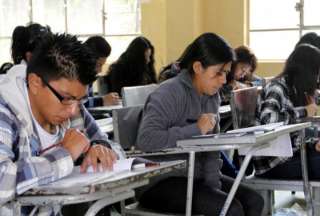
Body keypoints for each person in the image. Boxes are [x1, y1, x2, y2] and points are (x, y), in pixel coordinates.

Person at [136, 32, 264, 216]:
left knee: (254, 201)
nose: (223, 80)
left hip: (196, 177)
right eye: (218, 73)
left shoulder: (213, 96)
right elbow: (146, 140)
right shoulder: (169, 93)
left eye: (226, 73)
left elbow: (213, 147)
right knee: (231, 209)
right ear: (197, 67)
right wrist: (195, 129)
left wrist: (214, 187)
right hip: (159, 180)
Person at [0, 33, 125, 215]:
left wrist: (100, 149)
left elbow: (115, 147)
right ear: (35, 83)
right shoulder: (5, 111)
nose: (73, 111)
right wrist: (65, 154)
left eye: (80, 100)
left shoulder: (71, 106)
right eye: (66, 99)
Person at [254, 44, 320, 179]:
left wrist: (314, 141)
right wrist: (304, 111)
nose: (318, 79)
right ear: (307, 72)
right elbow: (269, 119)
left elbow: (295, 132)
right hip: (274, 162)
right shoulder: (277, 88)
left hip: (292, 153)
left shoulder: (296, 89)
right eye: (317, 73)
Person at [83, 36, 120, 107]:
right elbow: (77, 104)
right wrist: (102, 101)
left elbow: (87, 100)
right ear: (89, 59)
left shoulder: (89, 74)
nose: (100, 70)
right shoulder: (72, 73)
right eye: (99, 65)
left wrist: (105, 99)